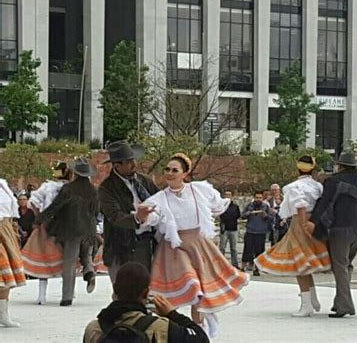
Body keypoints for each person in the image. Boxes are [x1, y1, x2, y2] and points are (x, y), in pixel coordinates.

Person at [140, 153, 249, 339]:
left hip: (198, 243)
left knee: (201, 289)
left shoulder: (198, 190)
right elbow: (152, 218)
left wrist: (207, 224)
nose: (170, 173)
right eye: (167, 169)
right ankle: (182, 328)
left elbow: (216, 207)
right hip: (174, 248)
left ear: (185, 174)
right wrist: (143, 215)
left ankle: (201, 325)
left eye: (175, 170)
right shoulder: (159, 198)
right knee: (191, 285)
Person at [255, 156, 330, 317]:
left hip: (300, 222)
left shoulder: (293, 187)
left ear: (298, 169)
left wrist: (302, 224)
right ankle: (312, 299)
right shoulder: (318, 186)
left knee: (300, 263)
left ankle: (307, 304)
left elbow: (300, 204)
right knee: (306, 262)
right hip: (315, 221)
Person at [304, 151, 357, 318]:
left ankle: (345, 306)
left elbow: (324, 202)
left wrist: (313, 221)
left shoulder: (333, 181)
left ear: (340, 165)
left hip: (340, 228)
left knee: (339, 266)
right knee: (346, 265)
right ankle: (340, 301)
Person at [83, 262, 209, 343]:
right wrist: (172, 314)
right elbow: (201, 339)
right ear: (146, 293)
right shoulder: (161, 327)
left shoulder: (94, 329)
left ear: (115, 289)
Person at [37, 157, 99, 306]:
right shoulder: (93, 190)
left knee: (69, 262)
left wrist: (40, 219)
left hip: (71, 229)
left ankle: (67, 297)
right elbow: (96, 211)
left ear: (75, 173)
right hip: (89, 229)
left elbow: (55, 206)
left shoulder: (68, 189)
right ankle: (89, 270)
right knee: (86, 254)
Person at [99, 140, 159, 282]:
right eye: (128, 161)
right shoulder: (107, 188)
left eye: (134, 160)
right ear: (116, 165)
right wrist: (137, 218)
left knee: (141, 289)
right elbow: (115, 216)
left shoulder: (144, 181)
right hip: (119, 245)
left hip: (144, 244)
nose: (134, 164)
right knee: (121, 290)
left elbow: (161, 201)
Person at [22, 161, 71, 305]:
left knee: (43, 259)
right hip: (65, 226)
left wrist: (40, 216)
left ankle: (42, 296)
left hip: (46, 226)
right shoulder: (71, 188)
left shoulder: (48, 186)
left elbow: (32, 202)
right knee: (67, 259)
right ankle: (68, 293)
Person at [0, 178, 26, 327]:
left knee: (5, 279)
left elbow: (11, 211)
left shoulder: (2, 185)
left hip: (6, 231)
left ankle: (3, 314)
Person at [241, 191, 273, 275]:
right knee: (247, 250)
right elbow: (242, 215)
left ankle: (256, 269)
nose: (258, 199)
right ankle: (243, 267)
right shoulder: (249, 205)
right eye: (257, 197)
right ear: (254, 198)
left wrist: (265, 215)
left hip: (261, 232)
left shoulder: (265, 206)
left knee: (259, 251)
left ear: (262, 198)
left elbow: (271, 217)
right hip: (250, 231)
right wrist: (248, 213)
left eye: (260, 198)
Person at [217, 190, 241, 269]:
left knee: (233, 248)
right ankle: (220, 264)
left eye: (229, 195)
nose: (227, 196)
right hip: (224, 229)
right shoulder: (221, 206)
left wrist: (229, 217)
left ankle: (235, 264)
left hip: (233, 229)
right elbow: (221, 216)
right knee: (222, 248)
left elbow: (237, 215)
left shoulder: (235, 207)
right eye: (226, 195)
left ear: (232, 196)